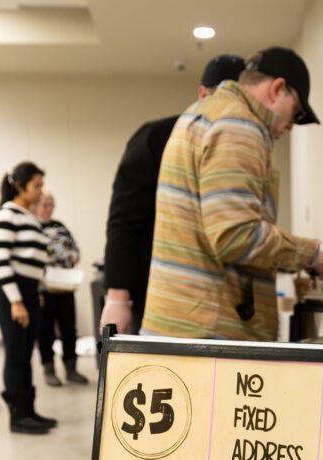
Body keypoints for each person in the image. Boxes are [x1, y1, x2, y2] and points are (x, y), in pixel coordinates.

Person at [141, 47, 323, 342]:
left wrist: (292, 261)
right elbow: (235, 236)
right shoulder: (239, 124)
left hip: (182, 323)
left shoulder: (203, 112)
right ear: (277, 89)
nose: (289, 127)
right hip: (209, 334)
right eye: (295, 113)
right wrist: (315, 254)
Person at [100, 54, 246, 335]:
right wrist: (118, 298)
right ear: (202, 94)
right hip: (158, 295)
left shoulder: (241, 146)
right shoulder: (157, 137)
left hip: (220, 302)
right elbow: (124, 221)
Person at [0, 162, 55, 435]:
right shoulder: (7, 215)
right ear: (20, 186)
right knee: (16, 352)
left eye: (42, 185)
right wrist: (16, 301)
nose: (41, 191)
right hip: (10, 289)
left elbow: (34, 261)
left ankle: (29, 410)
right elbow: (1, 261)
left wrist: (35, 292)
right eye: (36, 185)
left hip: (28, 289)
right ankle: (17, 416)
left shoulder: (29, 217)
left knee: (27, 352)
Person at [34, 191, 86, 387]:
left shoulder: (60, 227)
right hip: (45, 289)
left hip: (65, 287)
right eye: (44, 205)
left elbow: (74, 248)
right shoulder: (33, 227)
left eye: (51, 205)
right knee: (45, 331)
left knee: (69, 329)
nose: (48, 209)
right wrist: (55, 253)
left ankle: (71, 369)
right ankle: (49, 370)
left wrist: (73, 255)